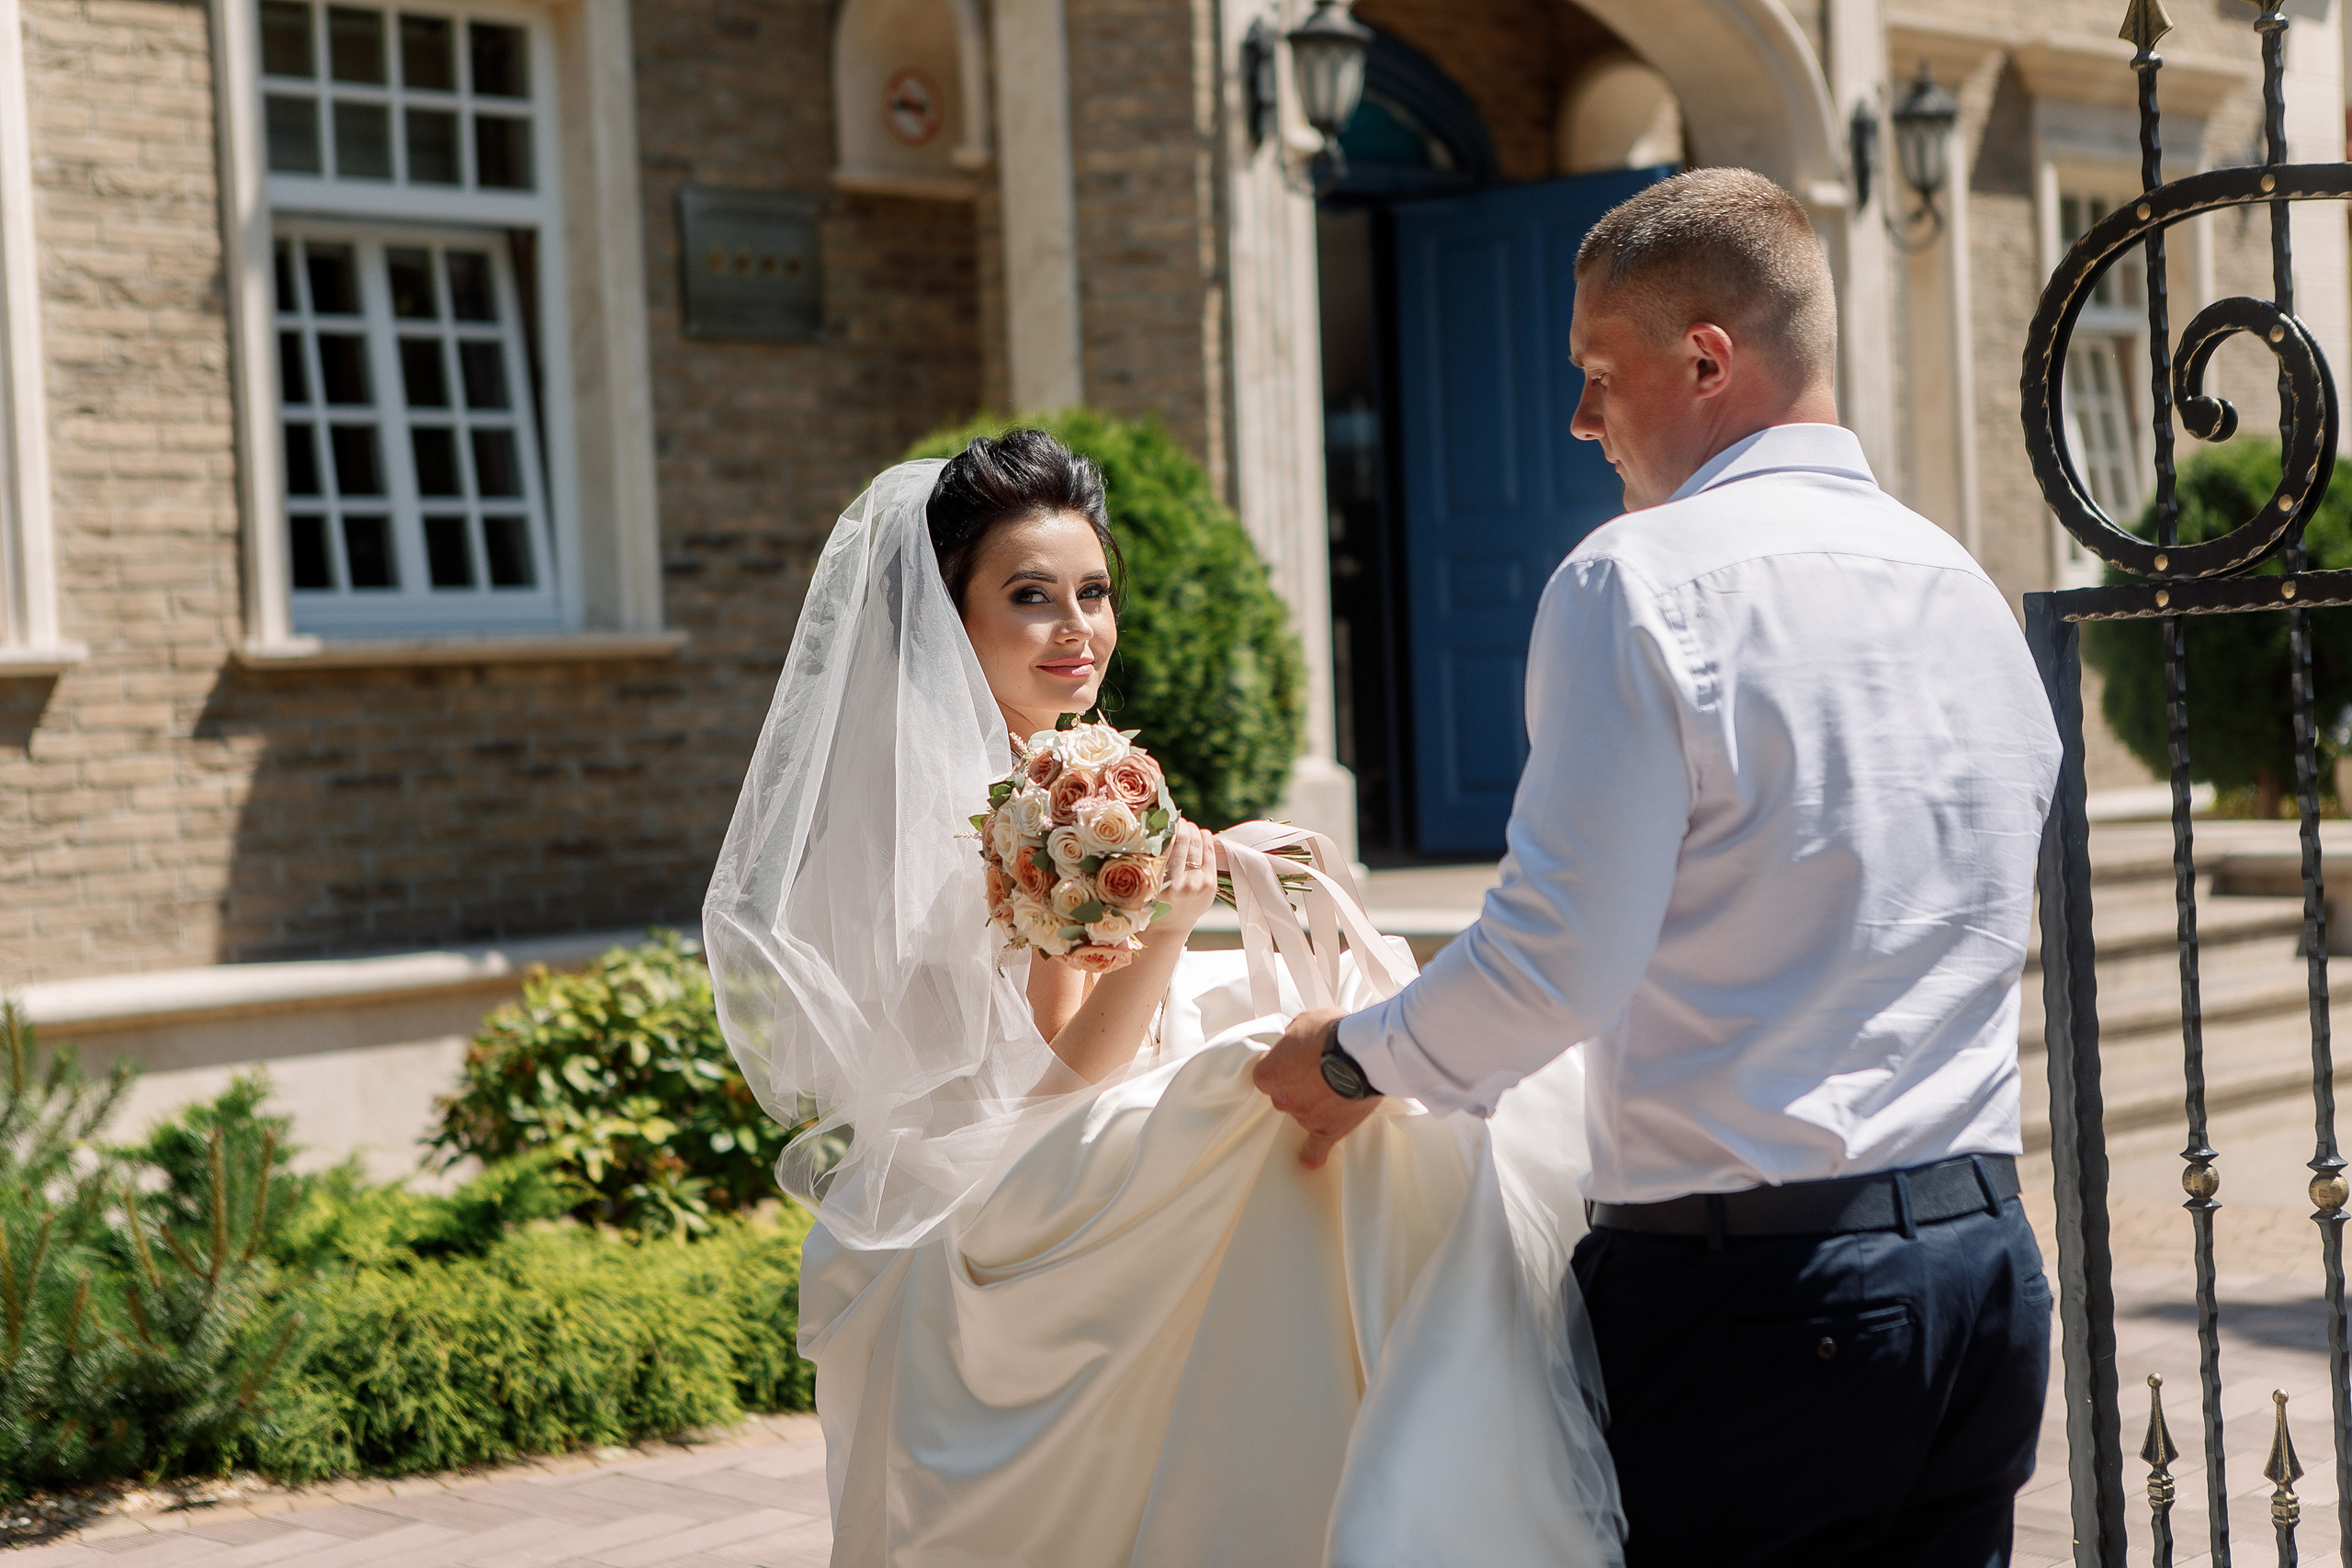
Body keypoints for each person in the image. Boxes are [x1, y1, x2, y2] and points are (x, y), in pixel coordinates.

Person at [1257, 167, 2062, 1566]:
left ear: (1705, 360)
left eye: (1596, 371)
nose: (1579, 417)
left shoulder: (1633, 580)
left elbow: (1552, 960)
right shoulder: (1964, 586)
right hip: (1986, 1264)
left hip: (1766, 1294)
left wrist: (1348, 1059)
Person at [704, 431, 1623, 1566]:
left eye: (1092, 592)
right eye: (1030, 597)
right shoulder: (917, 827)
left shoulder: (1058, 772)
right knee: (1293, 1113)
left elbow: (1071, 1001)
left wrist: (1232, 870)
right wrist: (1170, 923)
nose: (1076, 627)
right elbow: (1048, 1085)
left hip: (1051, 1133)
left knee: (1358, 1087)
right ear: (951, 617)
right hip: (987, 1200)